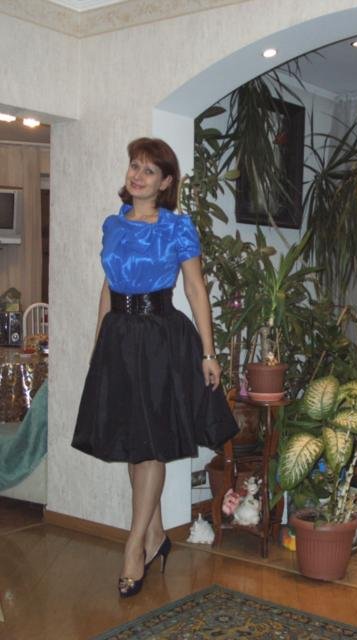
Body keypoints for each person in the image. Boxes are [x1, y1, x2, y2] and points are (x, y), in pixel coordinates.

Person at [71, 137, 238, 598]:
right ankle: (157, 536)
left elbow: (196, 289)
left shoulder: (177, 227)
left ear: (165, 182)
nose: (137, 175)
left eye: (149, 170)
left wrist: (209, 353)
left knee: (150, 448)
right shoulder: (114, 224)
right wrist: (98, 346)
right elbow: (108, 288)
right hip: (120, 340)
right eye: (134, 166)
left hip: (161, 340)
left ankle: (134, 547)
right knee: (134, 443)